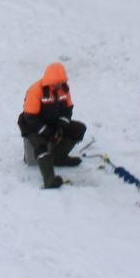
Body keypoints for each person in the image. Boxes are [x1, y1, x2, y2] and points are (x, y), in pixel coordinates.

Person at [18, 61, 86, 190]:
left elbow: (68, 110)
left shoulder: (64, 89)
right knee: (40, 144)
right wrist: (46, 131)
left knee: (79, 129)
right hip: (32, 124)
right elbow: (29, 116)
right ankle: (49, 180)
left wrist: (60, 127)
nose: (58, 84)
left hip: (53, 121)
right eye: (56, 82)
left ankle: (59, 158)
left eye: (60, 81)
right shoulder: (35, 90)